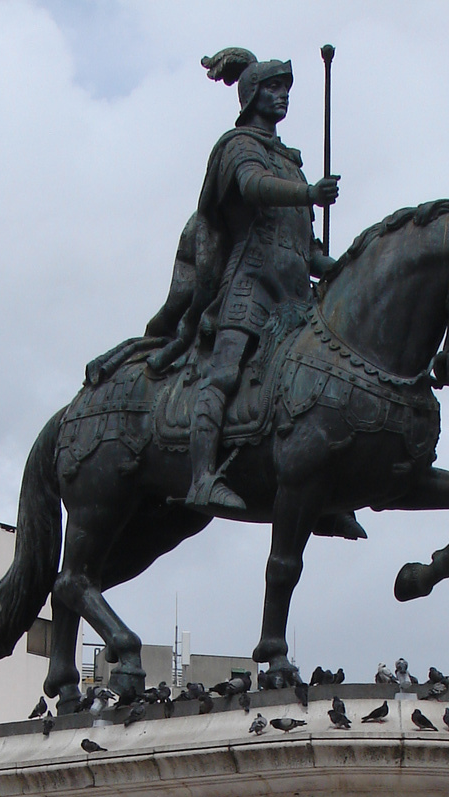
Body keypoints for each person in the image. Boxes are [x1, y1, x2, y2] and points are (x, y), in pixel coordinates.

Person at [150, 49, 339, 512]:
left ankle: (325, 486)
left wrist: (345, 267)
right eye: (273, 89)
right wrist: (309, 193)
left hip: (295, 294)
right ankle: (201, 479)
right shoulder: (239, 147)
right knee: (225, 371)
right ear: (253, 93)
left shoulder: (290, 163)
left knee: (321, 377)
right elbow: (252, 187)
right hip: (249, 283)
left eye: (287, 90)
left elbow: (307, 248)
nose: (283, 98)